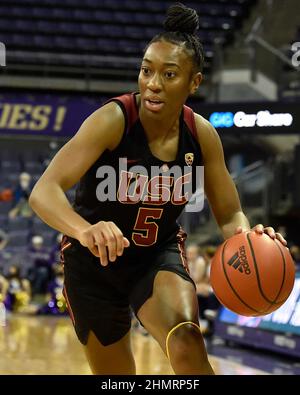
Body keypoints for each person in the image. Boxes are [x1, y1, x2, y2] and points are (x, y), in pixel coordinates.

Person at [29, 3, 287, 375]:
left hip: (155, 257)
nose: (152, 83)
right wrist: (85, 230)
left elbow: (230, 213)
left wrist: (247, 240)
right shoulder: (113, 120)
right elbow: (44, 190)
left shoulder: (201, 136)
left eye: (169, 74)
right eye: (146, 70)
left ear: (193, 82)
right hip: (92, 266)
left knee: (186, 342)